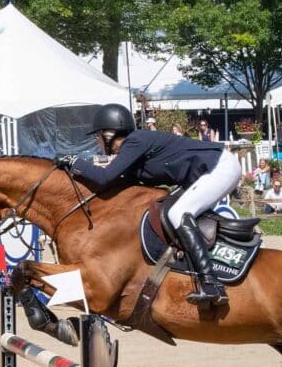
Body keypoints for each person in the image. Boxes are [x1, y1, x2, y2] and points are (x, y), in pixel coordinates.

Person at [68, 103, 241, 305]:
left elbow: (105, 176)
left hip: (220, 167)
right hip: (209, 170)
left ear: (109, 134)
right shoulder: (133, 151)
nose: (97, 143)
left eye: (98, 136)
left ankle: (211, 284)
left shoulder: (135, 141)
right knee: (175, 210)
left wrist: (74, 162)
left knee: (178, 213)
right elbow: (117, 182)